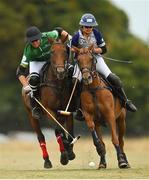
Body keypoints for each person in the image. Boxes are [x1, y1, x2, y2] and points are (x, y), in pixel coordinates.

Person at [71, 13, 137, 120]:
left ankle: (125, 101)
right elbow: (72, 50)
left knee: (114, 79)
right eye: (86, 26)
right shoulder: (76, 36)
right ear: (82, 26)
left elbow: (104, 49)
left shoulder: (96, 34)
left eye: (91, 26)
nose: (88, 29)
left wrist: (94, 50)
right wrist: (80, 52)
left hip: (96, 60)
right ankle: (79, 109)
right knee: (74, 81)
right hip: (82, 63)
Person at [16, 26, 72, 119]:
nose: (35, 43)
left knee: (71, 71)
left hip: (54, 59)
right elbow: (20, 71)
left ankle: (75, 101)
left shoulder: (48, 36)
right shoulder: (28, 51)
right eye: (32, 41)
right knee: (33, 80)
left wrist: (69, 37)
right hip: (36, 62)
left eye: (36, 40)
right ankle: (35, 107)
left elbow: (59, 30)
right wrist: (25, 85)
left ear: (40, 37)